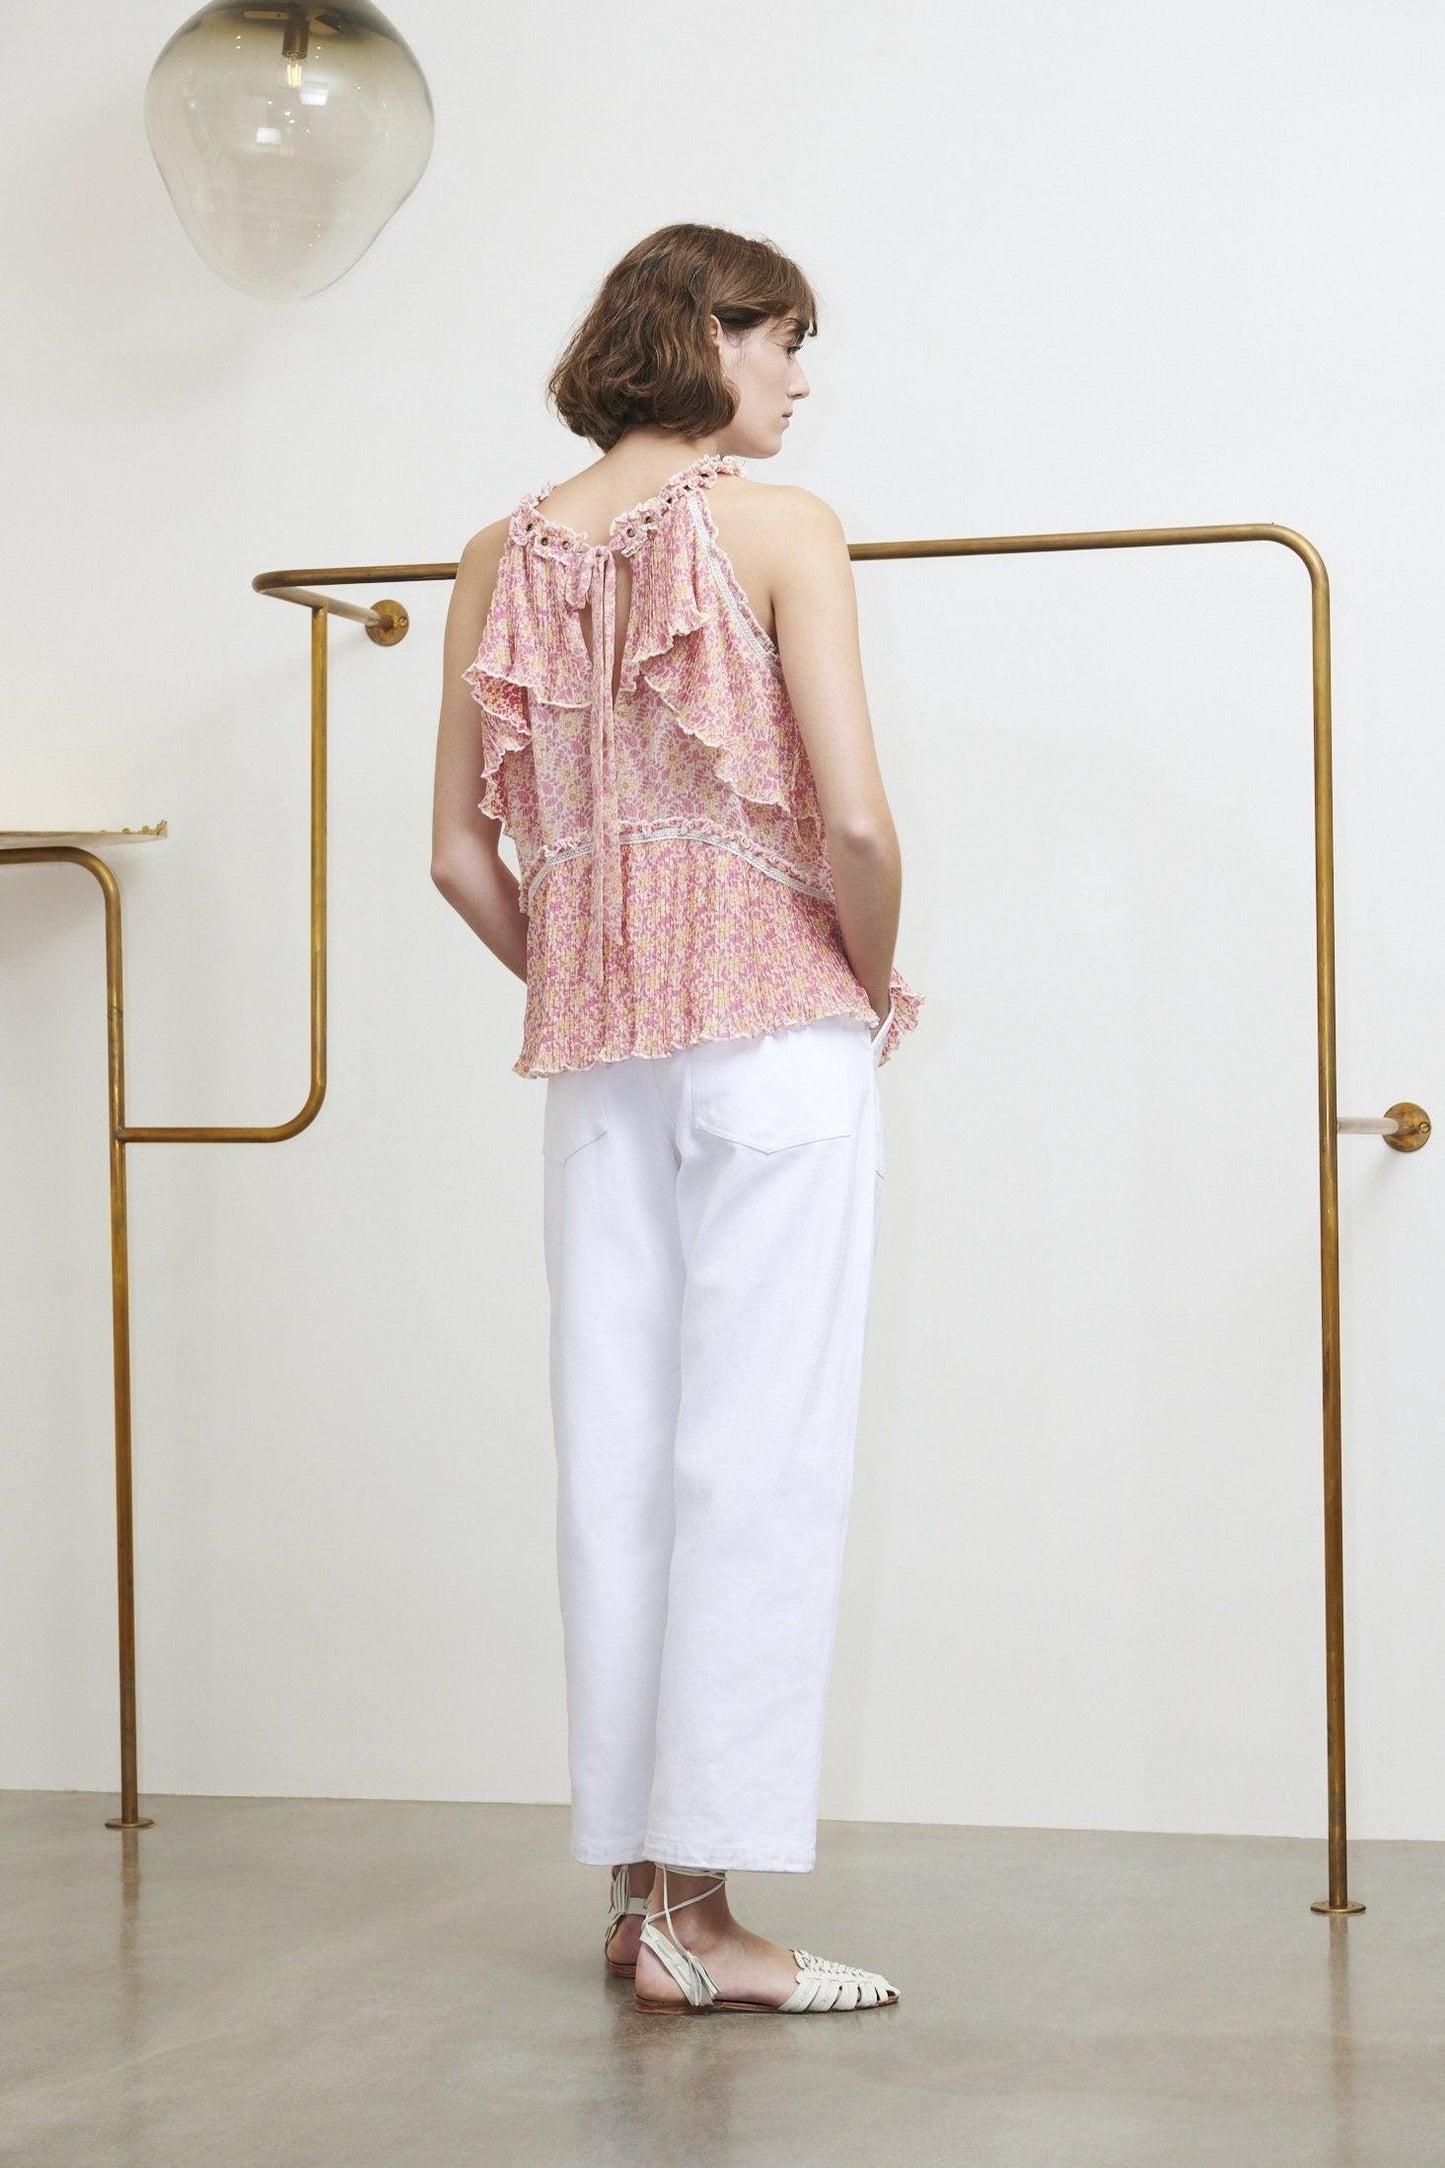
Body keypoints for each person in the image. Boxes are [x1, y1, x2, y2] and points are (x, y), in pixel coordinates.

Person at [431, 222, 923, 2016]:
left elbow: (456, 857)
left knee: (619, 1461)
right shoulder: (779, 528)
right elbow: (853, 824)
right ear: (701, 337)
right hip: (774, 1038)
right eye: (782, 338)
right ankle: (701, 1926)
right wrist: (866, 983)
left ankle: (641, 1895)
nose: (798, 377)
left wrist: (589, 974)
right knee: (757, 1456)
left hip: (599, 1056)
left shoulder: (498, 552)